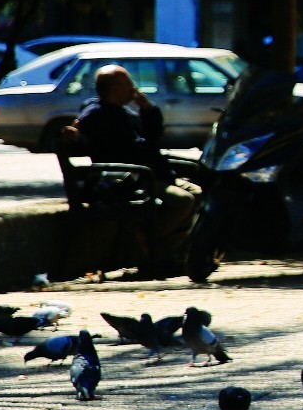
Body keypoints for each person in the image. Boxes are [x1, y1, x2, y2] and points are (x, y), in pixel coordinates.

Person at [61, 64, 200, 278]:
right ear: (115, 89)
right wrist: (74, 135)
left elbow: (152, 137)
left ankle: (158, 249)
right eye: (129, 84)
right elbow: (81, 139)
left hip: (153, 173)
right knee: (184, 201)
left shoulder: (126, 111)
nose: (134, 89)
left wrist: (147, 109)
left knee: (198, 194)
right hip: (131, 179)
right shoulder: (96, 113)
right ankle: (149, 246)